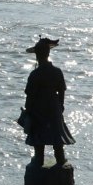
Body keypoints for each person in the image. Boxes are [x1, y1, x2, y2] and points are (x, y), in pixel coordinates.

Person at [22, 37, 75, 166]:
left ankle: (39, 160)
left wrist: (27, 111)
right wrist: (60, 106)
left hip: (38, 110)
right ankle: (60, 160)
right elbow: (62, 91)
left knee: (39, 141)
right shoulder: (57, 72)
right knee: (57, 141)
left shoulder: (35, 74)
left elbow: (30, 96)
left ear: (37, 55)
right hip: (54, 108)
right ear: (48, 53)